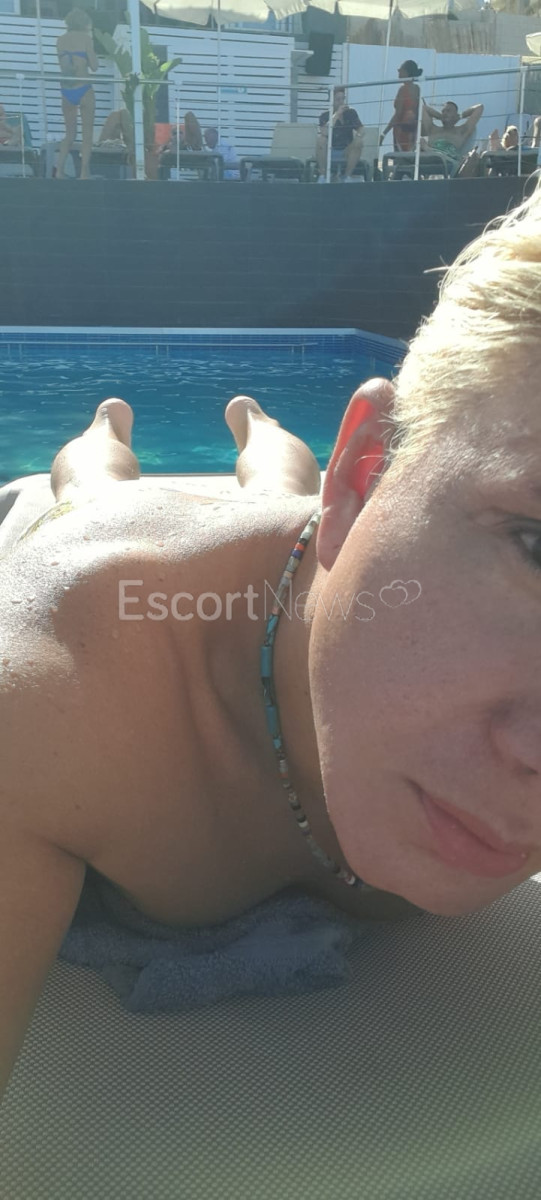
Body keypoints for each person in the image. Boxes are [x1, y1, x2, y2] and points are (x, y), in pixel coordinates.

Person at [4, 181, 541, 1097]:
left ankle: (259, 427)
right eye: (532, 546)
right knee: (95, 484)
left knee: (280, 489)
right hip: (120, 548)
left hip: (299, 553)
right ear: (366, 471)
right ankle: (105, 423)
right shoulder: (55, 697)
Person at [56, 8, 98, 180]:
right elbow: (94, 66)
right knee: (87, 134)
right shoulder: (86, 39)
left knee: (69, 134)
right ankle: (83, 172)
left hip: (67, 90)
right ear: (85, 23)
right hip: (84, 88)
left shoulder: (60, 40)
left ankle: (59, 171)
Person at [421, 98, 484, 176]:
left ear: (455, 115)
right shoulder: (433, 129)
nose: (445, 113)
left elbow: (479, 107)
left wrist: (460, 116)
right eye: (443, 111)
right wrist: (440, 116)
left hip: (449, 166)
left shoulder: (461, 131)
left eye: (448, 111)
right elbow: (423, 108)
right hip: (430, 164)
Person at [316, 85, 364, 183]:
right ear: (332, 101)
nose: (341, 102)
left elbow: (361, 128)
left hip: (346, 149)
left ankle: (347, 177)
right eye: (338, 99)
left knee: (359, 142)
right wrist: (337, 115)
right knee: (321, 140)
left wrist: (359, 136)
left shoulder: (351, 113)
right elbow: (324, 132)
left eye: (343, 99)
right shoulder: (325, 116)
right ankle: (324, 176)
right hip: (329, 150)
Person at [380, 60, 423, 153]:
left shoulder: (403, 90)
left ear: (406, 72)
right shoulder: (417, 88)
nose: (398, 71)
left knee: (400, 156)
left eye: (400, 69)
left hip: (401, 130)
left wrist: (384, 133)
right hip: (413, 129)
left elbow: (398, 114)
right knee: (410, 155)